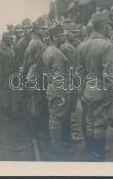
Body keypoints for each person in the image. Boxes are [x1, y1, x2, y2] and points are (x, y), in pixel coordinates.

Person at [77, 11, 113, 161]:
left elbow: (79, 71)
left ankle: (90, 148)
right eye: (108, 25)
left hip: (88, 89)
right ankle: (99, 153)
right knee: (100, 121)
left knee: (89, 119)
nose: (109, 28)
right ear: (103, 26)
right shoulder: (107, 45)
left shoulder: (82, 45)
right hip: (101, 90)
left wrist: (82, 89)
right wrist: (111, 93)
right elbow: (108, 73)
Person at [43, 24, 74, 155]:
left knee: (54, 117)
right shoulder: (57, 53)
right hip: (57, 89)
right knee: (57, 117)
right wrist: (61, 94)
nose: (63, 37)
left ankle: (56, 143)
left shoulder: (48, 50)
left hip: (52, 88)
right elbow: (59, 75)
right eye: (60, 36)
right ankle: (56, 147)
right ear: (54, 37)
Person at [23, 17, 49, 138]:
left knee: (33, 103)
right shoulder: (39, 44)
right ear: (36, 30)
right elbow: (41, 65)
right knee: (37, 104)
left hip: (31, 76)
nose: (45, 30)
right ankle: (36, 132)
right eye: (43, 28)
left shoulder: (32, 42)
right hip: (37, 78)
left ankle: (33, 129)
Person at [61, 19, 81, 142]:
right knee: (68, 111)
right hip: (69, 83)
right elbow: (71, 69)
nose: (76, 35)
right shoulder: (68, 48)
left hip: (64, 82)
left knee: (66, 112)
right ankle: (67, 137)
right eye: (73, 32)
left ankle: (66, 135)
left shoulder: (64, 45)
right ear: (66, 32)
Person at [0, 31, 15, 122]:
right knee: (2, 97)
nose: (12, 40)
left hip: (10, 76)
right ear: (5, 39)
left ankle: (8, 113)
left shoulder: (10, 48)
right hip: (2, 77)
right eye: (10, 38)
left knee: (9, 96)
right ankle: (3, 115)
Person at [12, 18, 32, 117]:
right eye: (25, 28)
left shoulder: (30, 40)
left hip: (29, 71)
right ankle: (23, 113)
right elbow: (19, 61)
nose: (28, 30)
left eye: (30, 28)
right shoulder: (21, 43)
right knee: (23, 93)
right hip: (23, 70)